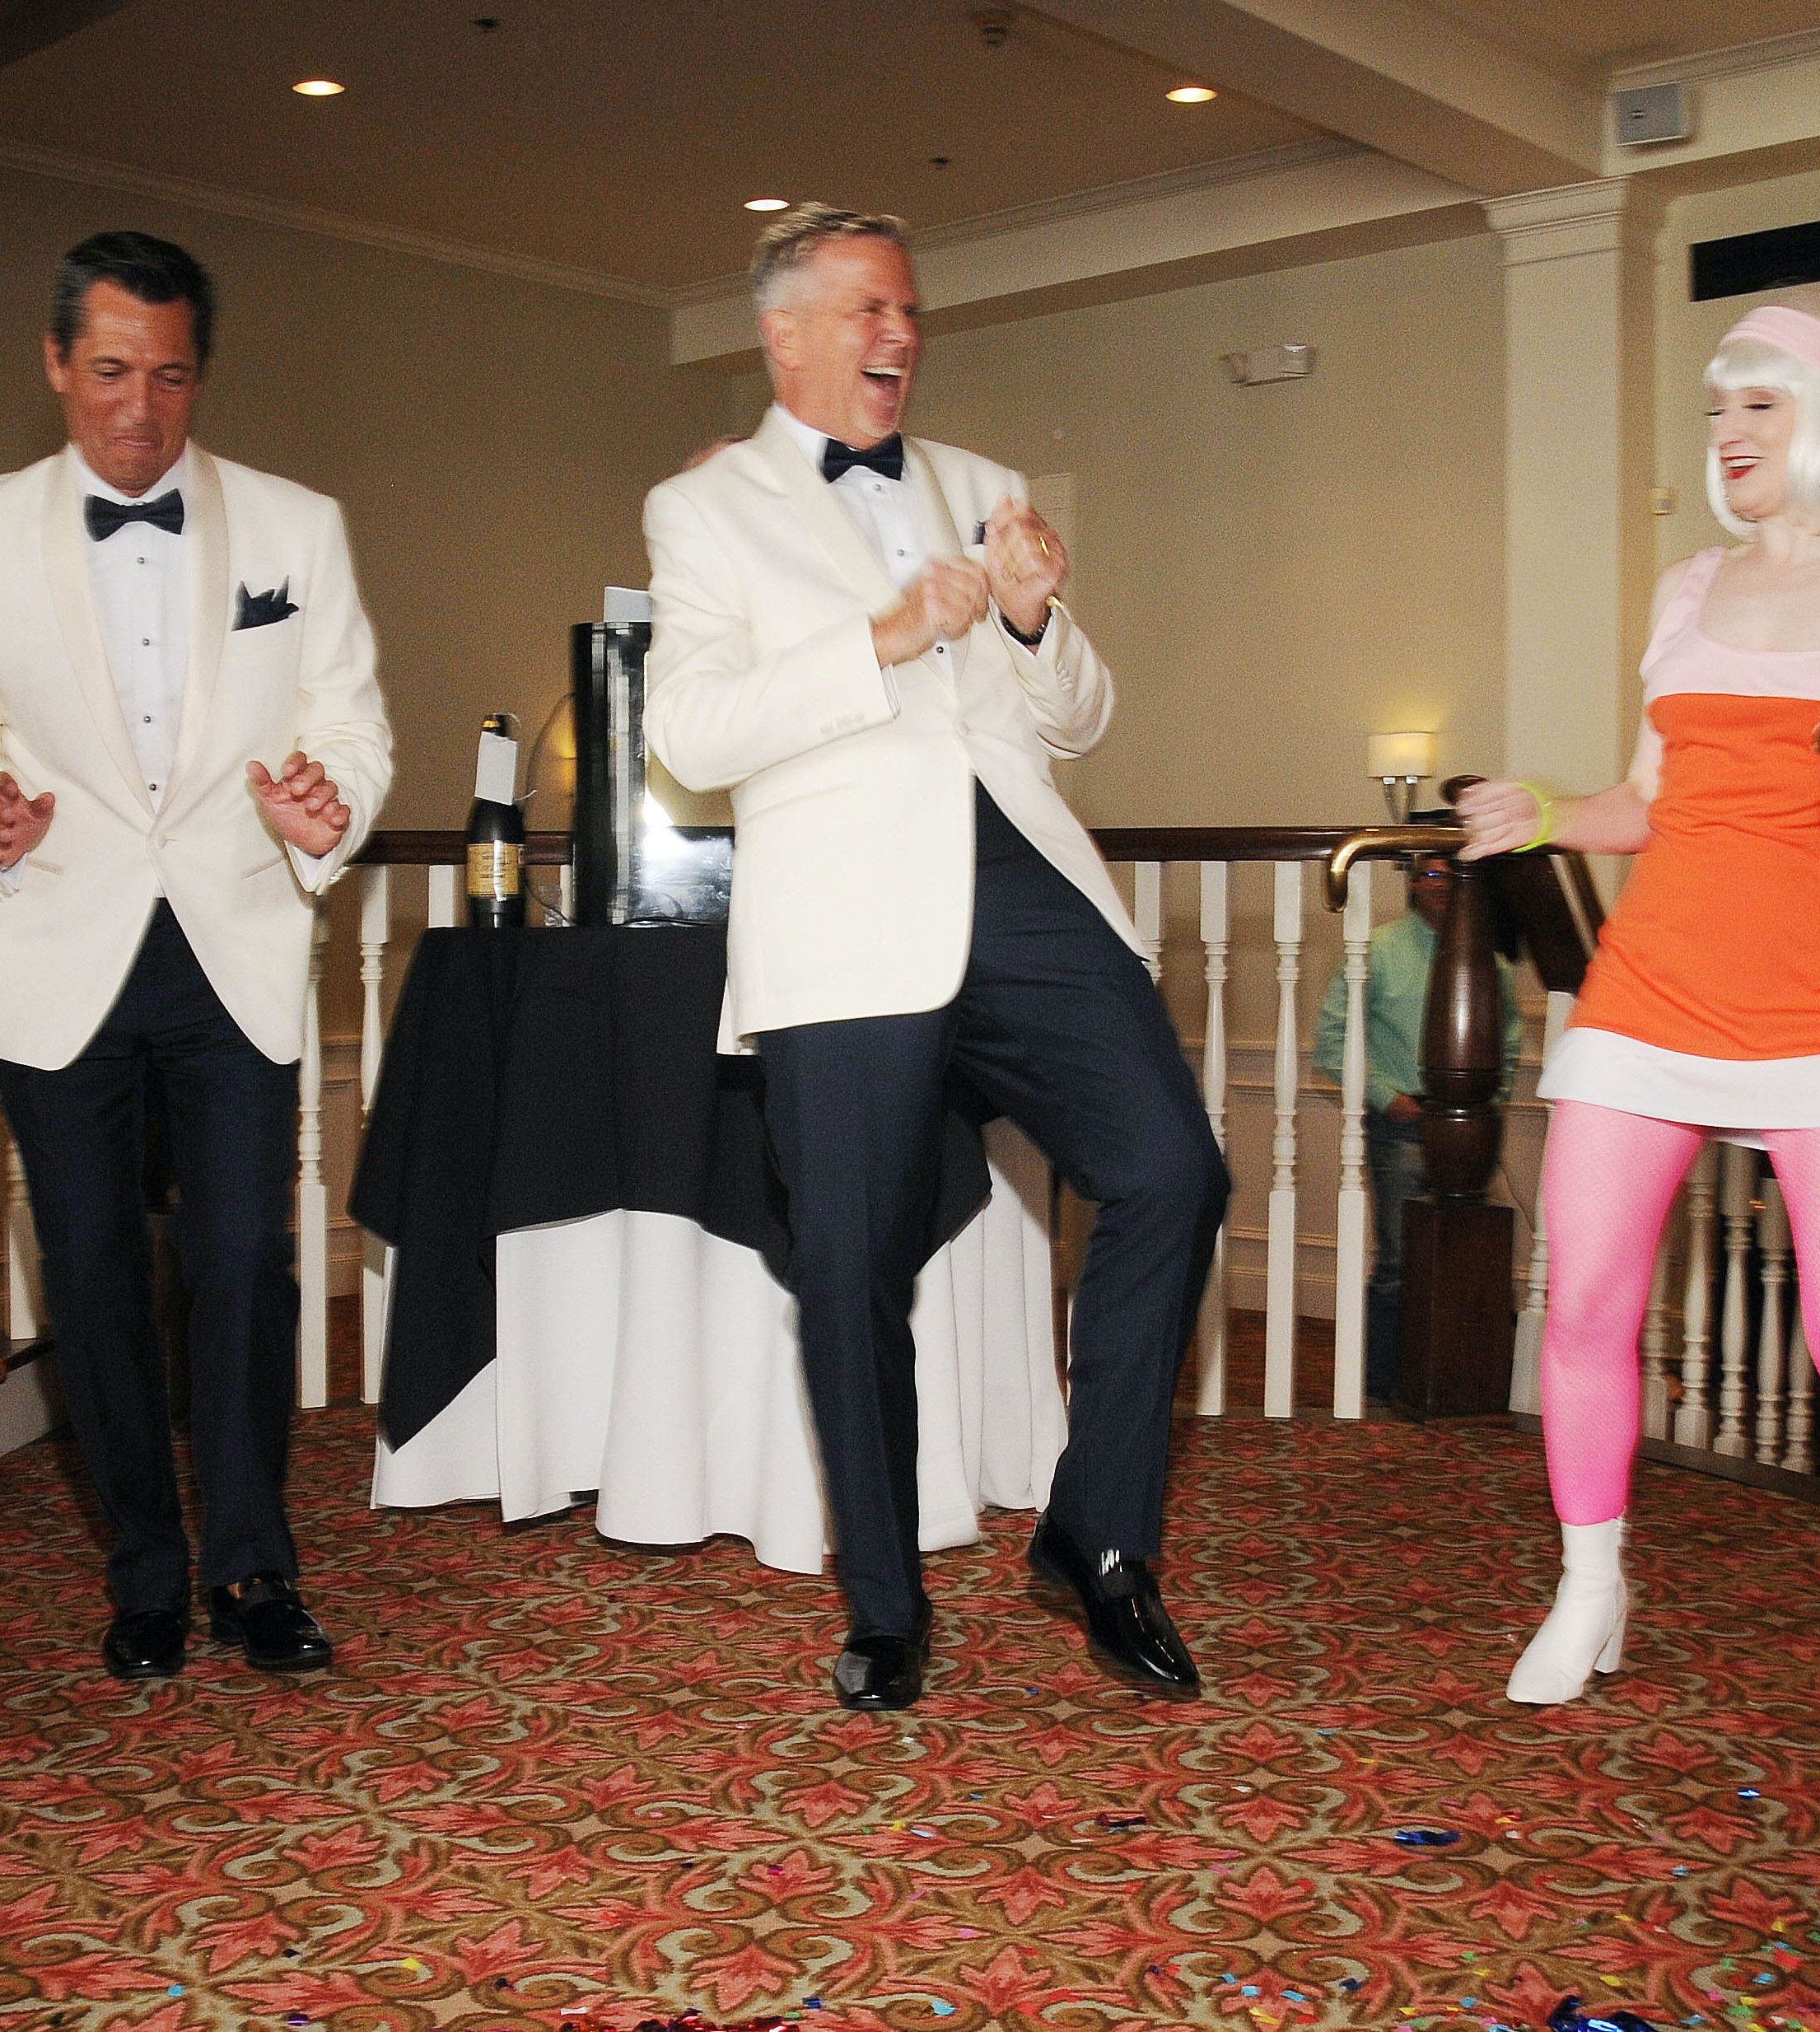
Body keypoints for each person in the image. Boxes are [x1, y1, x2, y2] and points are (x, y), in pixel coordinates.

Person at [644, 205, 1229, 1712]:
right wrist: (889, 638)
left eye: (907, 309)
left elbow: (1076, 718)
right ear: (783, 335)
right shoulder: (705, 511)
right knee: (847, 1266)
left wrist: (1032, 618)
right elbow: (692, 736)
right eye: (864, 312)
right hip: (843, 919)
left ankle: (1096, 1538)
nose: (898, 335)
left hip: (1018, 883)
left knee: (1173, 1169)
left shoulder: (981, 485)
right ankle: (887, 1604)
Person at [1458, 287, 1820, 1704]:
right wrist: (1550, 810)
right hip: (1655, 985)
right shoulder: (1689, 587)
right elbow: (1654, 800)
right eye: (1715, 408)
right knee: (1583, 1303)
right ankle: (1589, 1583)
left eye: (1759, 402)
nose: (1728, 432)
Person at [0, 231, 390, 1686]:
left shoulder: (299, 528)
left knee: (247, 1257)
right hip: (59, 938)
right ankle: (144, 1570)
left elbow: (354, 725)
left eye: (169, 377)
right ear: (58, 364)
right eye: (110, 372)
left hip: (234, 939)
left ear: (199, 375)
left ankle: (254, 1564)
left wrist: (334, 808)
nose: (139, 408)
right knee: (99, 1268)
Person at [1309, 838, 1521, 1404]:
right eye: (1429, 873)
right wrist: (1388, 1097)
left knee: (1466, 1259)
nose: (1440, 883)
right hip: (1403, 1127)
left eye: (1450, 874)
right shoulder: (1375, 951)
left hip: (1470, 1132)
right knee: (1401, 1264)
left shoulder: (1491, 962)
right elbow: (1332, 1043)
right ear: (1412, 881)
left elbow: (1512, 1041)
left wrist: (1489, 1101)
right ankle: (1381, 1390)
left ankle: (1457, 1386)